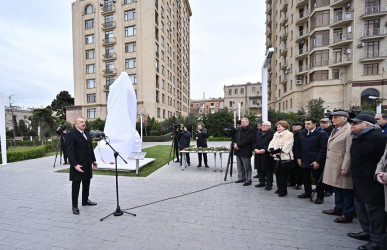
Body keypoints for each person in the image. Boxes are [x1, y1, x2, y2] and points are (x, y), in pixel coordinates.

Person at [348, 114, 387, 250]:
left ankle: (376, 240)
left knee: (375, 211)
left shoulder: (379, 138)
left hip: (373, 181)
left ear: (368, 125)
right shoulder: (357, 138)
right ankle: (367, 231)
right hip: (359, 180)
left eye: (356, 123)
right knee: (361, 207)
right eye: (352, 122)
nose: (352, 125)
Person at [322, 111, 355, 223]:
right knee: (337, 188)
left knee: (346, 191)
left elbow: (349, 151)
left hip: (341, 164)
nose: (332, 120)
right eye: (332, 118)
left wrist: (345, 167)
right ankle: (338, 208)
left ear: (344, 118)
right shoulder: (335, 129)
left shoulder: (349, 130)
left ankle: (347, 214)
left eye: (335, 117)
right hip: (334, 164)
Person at [65, 117, 98, 215]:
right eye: (81, 122)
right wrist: (74, 165)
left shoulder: (87, 134)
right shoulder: (71, 135)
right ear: (76, 124)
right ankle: (74, 206)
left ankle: (85, 201)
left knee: (86, 184)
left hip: (87, 164)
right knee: (76, 186)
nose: (84, 123)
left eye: (84, 121)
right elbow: (69, 152)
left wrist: (93, 160)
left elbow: (90, 149)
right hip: (78, 165)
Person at [295, 118, 328, 204]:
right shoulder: (302, 133)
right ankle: (307, 192)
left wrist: (317, 161)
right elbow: (297, 147)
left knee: (318, 180)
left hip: (315, 161)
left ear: (315, 124)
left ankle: (320, 197)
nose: (306, 125)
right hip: (304, 160)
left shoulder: (322, 134)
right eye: (305, 123)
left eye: (308, 124)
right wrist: (298, 158)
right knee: (306, 178)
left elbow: (323, 149)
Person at [268, 120, 294, 197]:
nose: (278, 128)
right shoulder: (276, 134)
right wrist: (271, 151)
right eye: (277, 126)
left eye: (279, 126)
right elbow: (271, 143)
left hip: (284, 158)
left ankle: (283, 191)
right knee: (278, 175)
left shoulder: (289, 134)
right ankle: (279, 189)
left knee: (283, 176)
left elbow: (287, 145)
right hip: (276, 158)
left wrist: (276, 152)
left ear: (284, 127)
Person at [253, 121, 275, 190]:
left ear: (269, 126)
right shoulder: (258, 133)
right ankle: (261, 182)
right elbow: (253, 142)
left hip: (267, 155)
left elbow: (272, 144)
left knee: (268, 170)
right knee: (259, 168)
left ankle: (269, 184)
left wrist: (264, 149)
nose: (262, 126)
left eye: (264, 125)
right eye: (262, 125)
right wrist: (255, 148)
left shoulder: (273, 134)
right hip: (258, 153)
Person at [234, 117, 255, 186]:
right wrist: (234, 144)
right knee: (239, 166)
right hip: (238, 150)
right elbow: (236, 138)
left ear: (247, 122)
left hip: (245, 150)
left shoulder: (251, 130)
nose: (241, 123)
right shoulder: (239, 130)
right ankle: (241, 178)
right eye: (241, 121)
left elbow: (248, 140)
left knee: (247, 166)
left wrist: (238, 145)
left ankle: (248, 179)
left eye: (243, 121)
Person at [320, 117, 334, 197]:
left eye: (324, 123)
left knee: (328, 174)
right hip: (322, 154)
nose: (322, 124)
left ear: (329, 123)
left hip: (329, 155)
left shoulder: (332, 130)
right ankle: (322, 187)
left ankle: (329, 190)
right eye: (321, 123)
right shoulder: (320, 130)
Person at [289, 122, 303, 190]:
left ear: (300, 127)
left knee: (299, 170)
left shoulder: (302, 133)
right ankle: (292, 182)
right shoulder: (291, 133)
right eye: (293, 125)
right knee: (292, 169)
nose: (294, 126)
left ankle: (299, 183)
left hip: (299, 154)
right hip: (291, 154)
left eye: (296, 125)